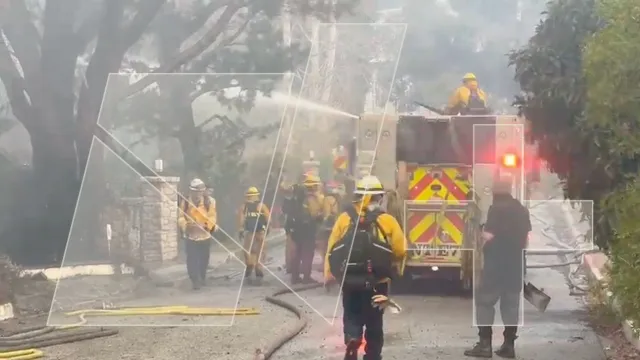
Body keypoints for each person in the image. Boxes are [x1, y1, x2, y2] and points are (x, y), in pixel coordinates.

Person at [325, 175, 407, 360]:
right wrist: (392, 267)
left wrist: (329, 274)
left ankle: (353, 337)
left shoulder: (344, 219)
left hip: (350, 280)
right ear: (379, 197)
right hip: (378, 281)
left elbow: (332, 249)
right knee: (374, 321)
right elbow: (400, 250)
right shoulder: (387, 220)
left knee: (351, 313)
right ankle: (372, 355)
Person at [464, 179, 531, 359]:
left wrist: (478, 231)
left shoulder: (496, 209)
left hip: (495, 266)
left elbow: (489, 235)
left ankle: (485, 345)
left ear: (495, 192)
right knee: (510, 306)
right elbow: (525, 241)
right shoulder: (522, 210)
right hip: (515, 266)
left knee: (484, 303)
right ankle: (509, 346)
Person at [177, 178, 217, 290]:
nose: (198, 194)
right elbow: (180, 217)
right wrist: (186, 225)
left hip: (205, 235)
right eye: (195, 191)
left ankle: (202, 277)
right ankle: (195, 280)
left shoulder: (210, 202)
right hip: (191, 236)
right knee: (192, 259)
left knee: (204, 259)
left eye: (200, 191)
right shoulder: (185, 202)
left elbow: (213, 217)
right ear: (191, 191)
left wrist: (206, 225)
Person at [289, 173, 324, 284]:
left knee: (297, 252)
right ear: (314, 186)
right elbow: (314, 214)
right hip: (308, 229)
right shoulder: (311, 198)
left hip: (296, 228)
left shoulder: (298, 197)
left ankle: (295, 277)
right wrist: (321, 215)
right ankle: (306, 277)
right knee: (308, 253)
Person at [237, 186, 271, 282]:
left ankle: (250, 264)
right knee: (261, 251)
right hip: (259, 232)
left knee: (249, 250)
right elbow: (268, 218)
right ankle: (258, 267)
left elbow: (241, 220)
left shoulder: (244, 207)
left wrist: (240, 230)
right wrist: (268, 228)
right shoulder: (261, 206)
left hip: (250, 233)